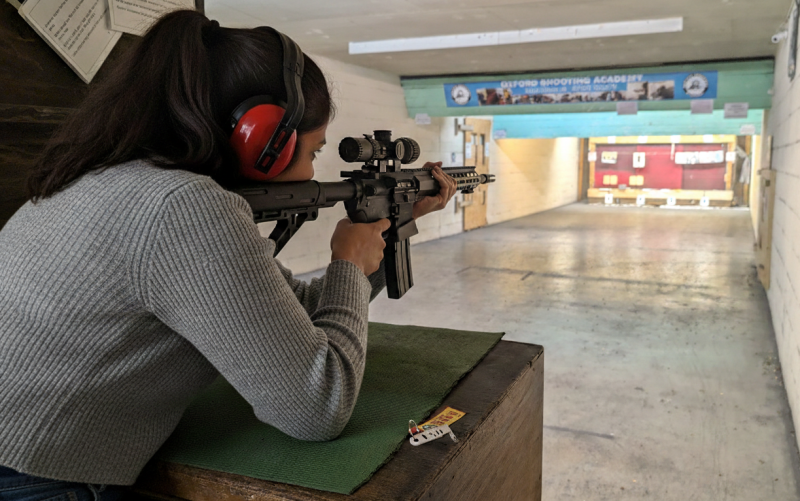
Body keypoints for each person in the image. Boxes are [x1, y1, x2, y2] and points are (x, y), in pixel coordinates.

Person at [0, 10, 457, 500]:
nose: (311, 169)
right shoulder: (185, 208)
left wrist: (389, 232)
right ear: (262, 142)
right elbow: (316, 407)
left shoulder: (103, 177)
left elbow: (294, 307)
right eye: (313, 152)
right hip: (43, 479)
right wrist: (346, 264)